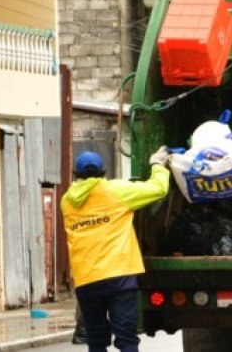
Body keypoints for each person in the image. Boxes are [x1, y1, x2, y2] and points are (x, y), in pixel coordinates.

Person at [62, 149, 170, 352]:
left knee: (95, 338)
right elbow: (158, 189)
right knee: (126, 338)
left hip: (87, 279)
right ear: (104, 172)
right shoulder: (116, 191)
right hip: (119, 275)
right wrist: (158, 164)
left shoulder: (67, 201)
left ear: (76, 174)